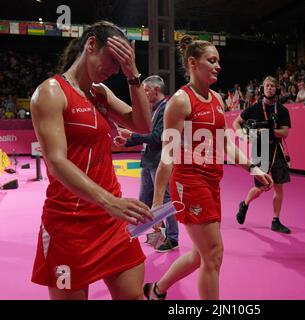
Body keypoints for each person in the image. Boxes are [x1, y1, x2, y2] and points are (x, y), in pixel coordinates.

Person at [30, 21, 154, 300]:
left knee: (134, 296)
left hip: (111, 221)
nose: (114, 70)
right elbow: (57, 162)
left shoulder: (101, 93)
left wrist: (132, 74)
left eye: (120, 64)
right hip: (69, 225)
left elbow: (143, 125)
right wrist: (110, 202)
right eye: (113, 60)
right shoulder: (51, 92)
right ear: (90, 46)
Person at [143, 35, 273, 300]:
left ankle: (156, 290)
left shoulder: (217, 99)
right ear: (193, 63)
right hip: (190, 182)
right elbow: (167, 156)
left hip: (213, 181)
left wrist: (252, 167)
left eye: (218, 61)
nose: (218, 66)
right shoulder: (180, 102)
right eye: (211, 61)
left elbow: (225, 143)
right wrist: (157, 205)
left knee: (199, 255)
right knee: (213, 255)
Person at [114, 75, 179, 253]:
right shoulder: (154, 109)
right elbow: (148, 136)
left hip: (160, 163)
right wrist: (126, 142)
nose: (143, 95)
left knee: (165, 201)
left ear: (156, 90)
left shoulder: (166, 109)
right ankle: (153, 233)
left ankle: (173, 239)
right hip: (149, 161)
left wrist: (131, 136)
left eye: (146, 91)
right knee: (144, 201)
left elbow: (157, 137)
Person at [233, 76, 292, 234]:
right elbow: (236, 122)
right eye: (267, 85)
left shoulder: (282, 110)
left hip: (277, 151)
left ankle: (275, 220)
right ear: (262, 89)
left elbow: (285, 133)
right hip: (260, 151)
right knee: (262, 187)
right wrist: (242, 135)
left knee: (279, 188)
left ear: (277, 89)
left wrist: (269, 131)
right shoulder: (254, 108)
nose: (270, 88)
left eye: (273, 86)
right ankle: (244, 204)